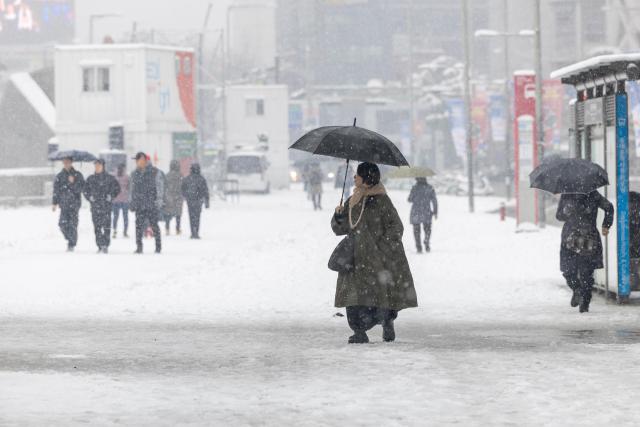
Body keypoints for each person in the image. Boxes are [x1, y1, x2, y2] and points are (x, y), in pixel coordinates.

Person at [331, 162, 418, 344]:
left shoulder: (382, 200)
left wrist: (381, 246)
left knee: (378, 296)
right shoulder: (353, 200)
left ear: (367, 178)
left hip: (377, 260)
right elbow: (342, 229)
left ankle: (387, 321)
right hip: (354, 259)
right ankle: (359, 331)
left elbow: (396, 227)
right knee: (353, 296)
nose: (355, 177)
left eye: (358, 175)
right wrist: (339, 216)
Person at [556, 191, 614, 313]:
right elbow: (559, 215)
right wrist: (606, 225)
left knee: (576, 271)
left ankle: (581, 296)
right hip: (581, 238)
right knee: (578, 272)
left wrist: (606, 225)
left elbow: (559, 216)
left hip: (578, 238)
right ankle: (581, 297)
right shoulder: (587, 194)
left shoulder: (575, 193)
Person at [83, 159, 120, 253]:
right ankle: (100, 245)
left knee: (107, 227)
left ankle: (105, 245)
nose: (97, 167)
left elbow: (117, 189)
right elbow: (85, 190)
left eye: (99, 165)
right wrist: (89, 197)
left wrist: (111, 196)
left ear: (103, 166)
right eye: (95, 165)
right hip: (95, 207)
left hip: (106, 207)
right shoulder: (90, 178)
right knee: (97, 227)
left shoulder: (110, 178)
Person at [129, 152, 164, 254]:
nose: (136, 162)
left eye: (138, 160)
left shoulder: (155, 172)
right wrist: (131, 201)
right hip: (139, 204)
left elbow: (159, 186)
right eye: (136, 160)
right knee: (138, 226)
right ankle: (139, 247)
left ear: (144, 160)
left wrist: (159, 200)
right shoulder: (134, 173)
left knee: (154, 226)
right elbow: (132, 189)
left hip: (151, 203)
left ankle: (158, 247)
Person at [52, 156, 85, 251]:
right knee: (62, 224)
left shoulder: (78, 175)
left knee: (73, 224)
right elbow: (56, 191)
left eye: (68, 162)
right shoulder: (59, 176)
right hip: (64, 204)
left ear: (71, 163)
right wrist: (54, 203)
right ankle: (69, 238)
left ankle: (72, 244)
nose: (66, 164)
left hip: (75, 204)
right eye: (64, 162)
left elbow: (81, 189)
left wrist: (73, 182)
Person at [408, 177, 438, 253]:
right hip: (426, 211)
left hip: (416, 212)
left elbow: (409, 199)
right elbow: (434, 200)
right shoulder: (430, 188)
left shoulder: (414, 188)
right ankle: (426, 240)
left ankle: (419, 247)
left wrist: (414, 195)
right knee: (428, 229)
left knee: (416, 231)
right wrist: (435, 211)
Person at [181, 163, 210, 239]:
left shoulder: (187, 178)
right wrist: (207, 201)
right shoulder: (201, 179)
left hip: (190, 201)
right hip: (198, 201)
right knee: (197, 217)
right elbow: (205, 190)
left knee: (191, 216)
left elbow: (182, 189)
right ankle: (196, 232)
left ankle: (192, 232)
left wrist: (185, 196)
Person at [163, 160, 184, 235]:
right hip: (178, 196)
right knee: (178, 214)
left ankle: (167, 228)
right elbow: (183, 186)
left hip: (169, 197)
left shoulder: (167, 175)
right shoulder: (180, 175)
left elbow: (164, 187)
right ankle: (177, 229)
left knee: (168, 214)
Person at [112, 164, 130, 238]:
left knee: (115, 217)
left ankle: (114, 231)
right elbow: (129, 187)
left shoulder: (114, 176)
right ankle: (125, 232)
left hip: (115, 199)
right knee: (125, 217)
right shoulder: (127, 177)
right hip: (124, 199)